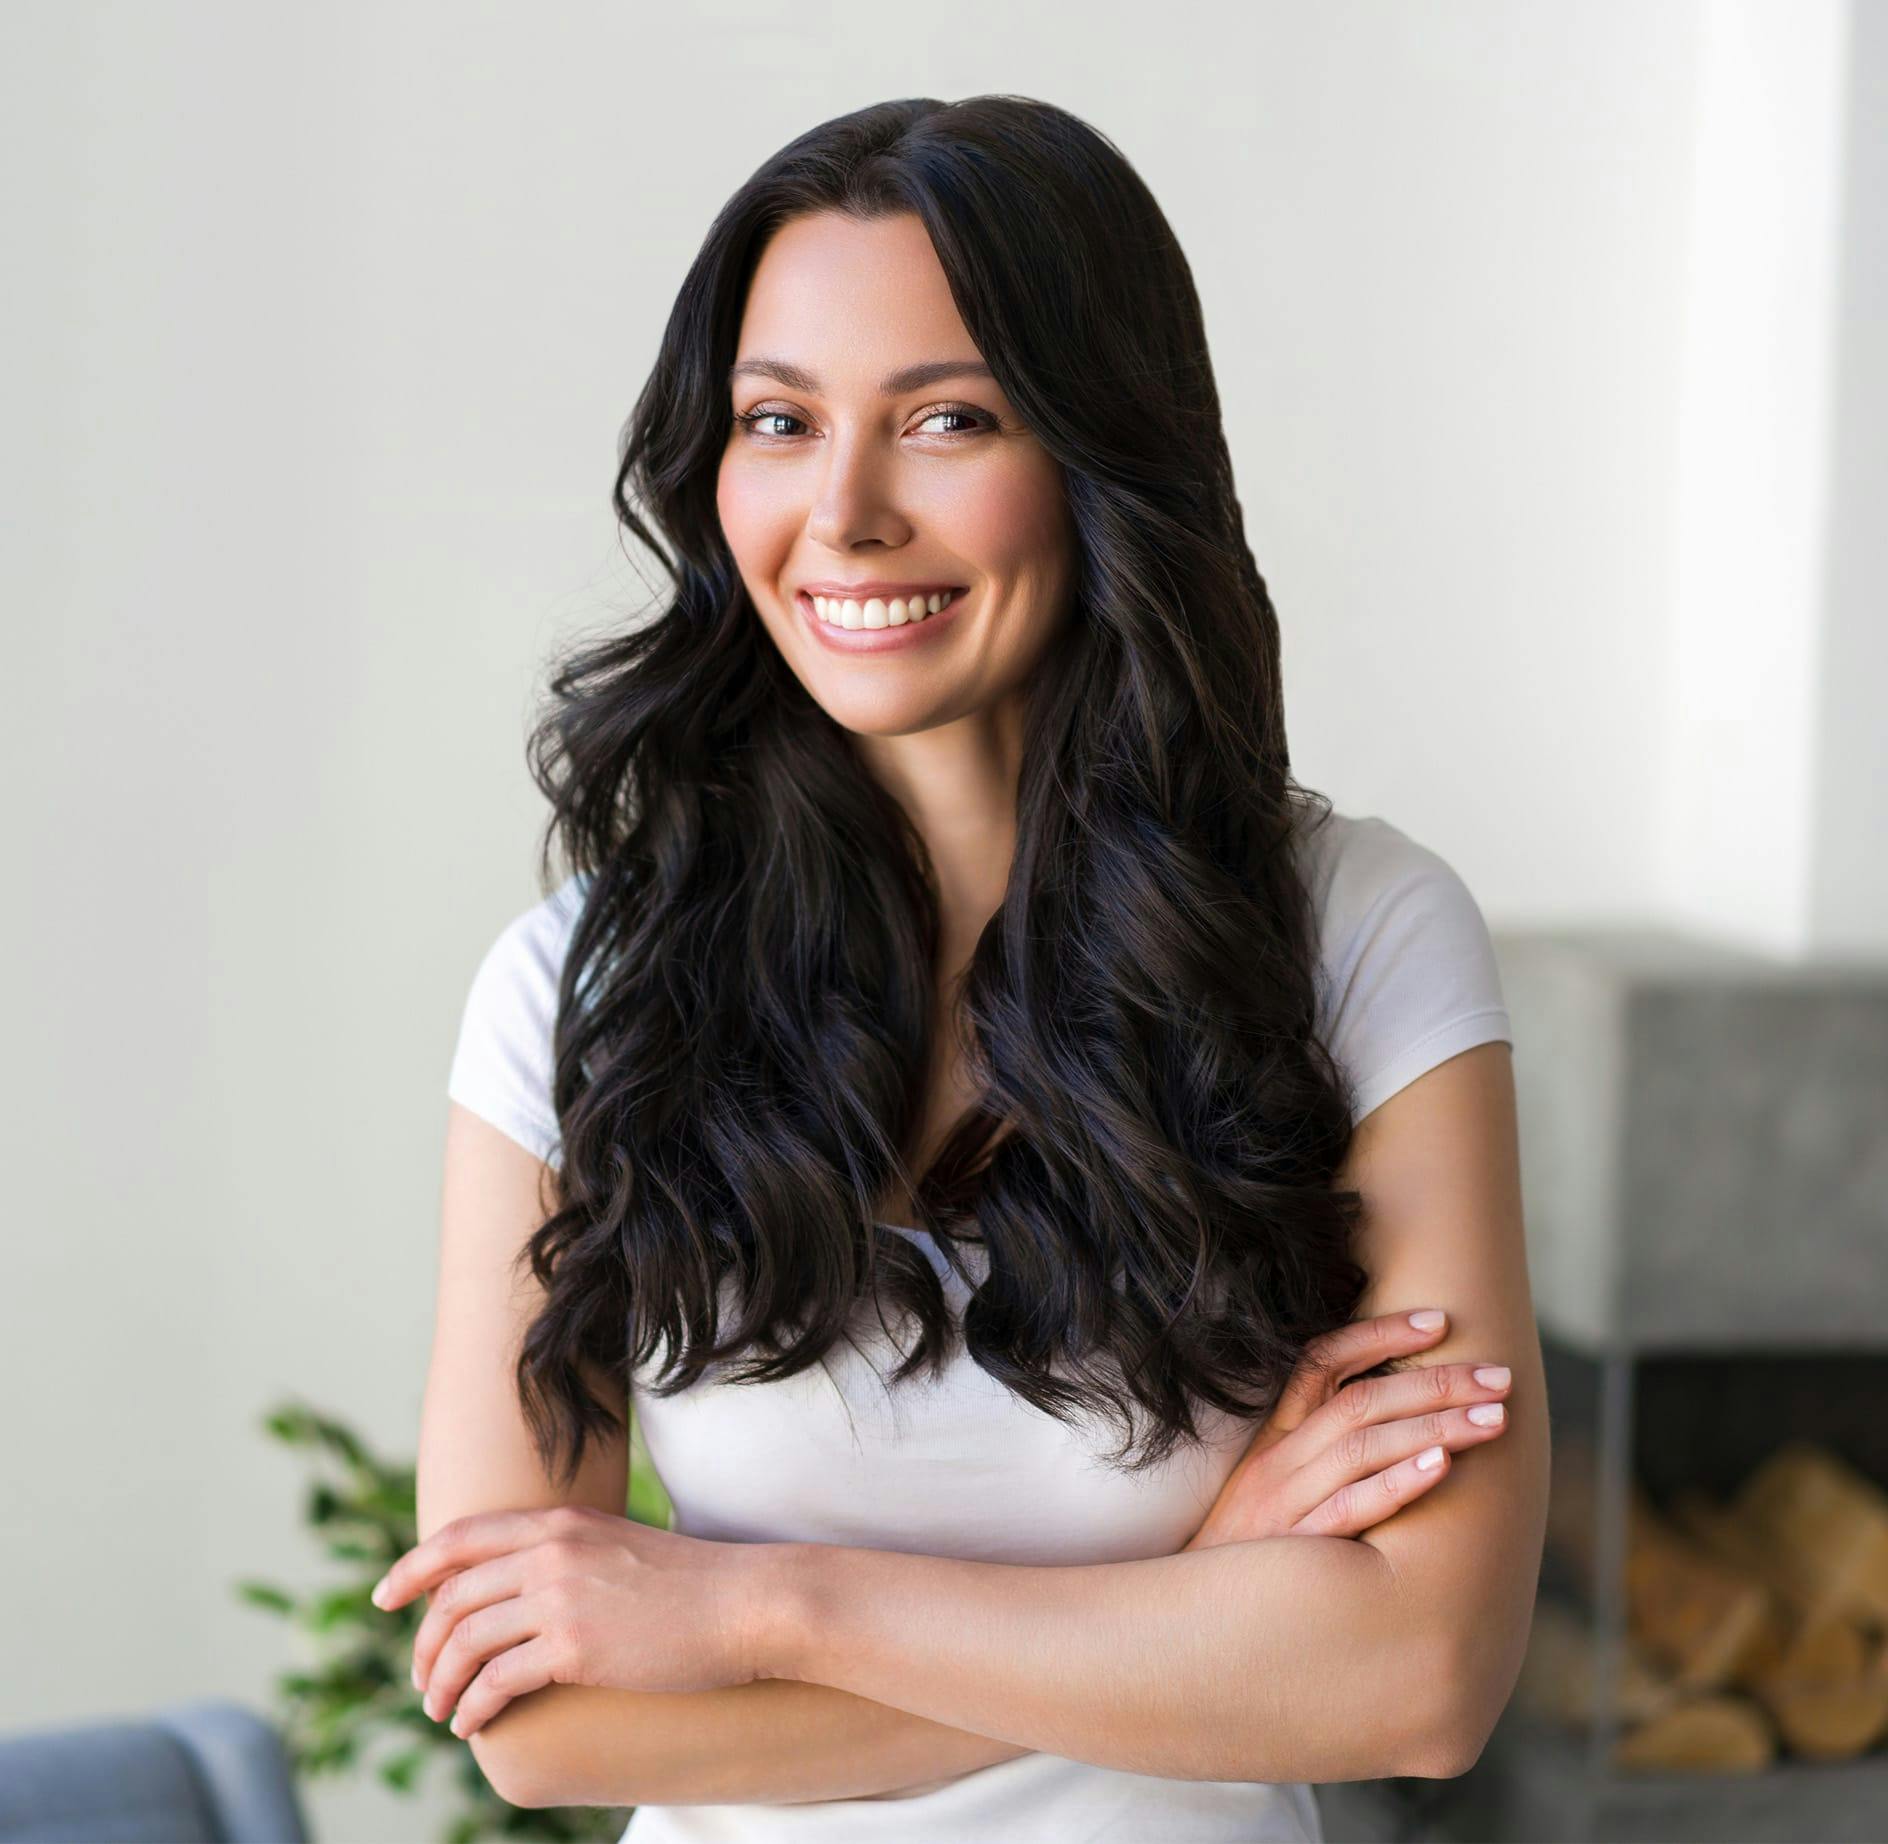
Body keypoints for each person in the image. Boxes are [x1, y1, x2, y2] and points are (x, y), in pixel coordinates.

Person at [394, 94, 1550, 1844]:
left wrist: (757, 1609)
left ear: (1102, 460)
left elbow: (1421, 1679)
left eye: (948, 419)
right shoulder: (576, 988)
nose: (844, 514)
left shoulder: (1359, 935)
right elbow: (543, 1727)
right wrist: (1206, 1588)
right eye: (777, 421)